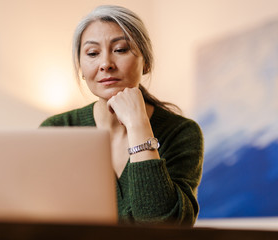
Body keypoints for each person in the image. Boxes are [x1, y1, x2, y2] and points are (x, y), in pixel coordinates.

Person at [40, 5, 204, 226]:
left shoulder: (182, 133)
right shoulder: (57, 130)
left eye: (120, 49)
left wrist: (138, 125)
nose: (106, 64)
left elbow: (163, 228)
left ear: (145, 61)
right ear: (80, 67)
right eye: (92, 53)